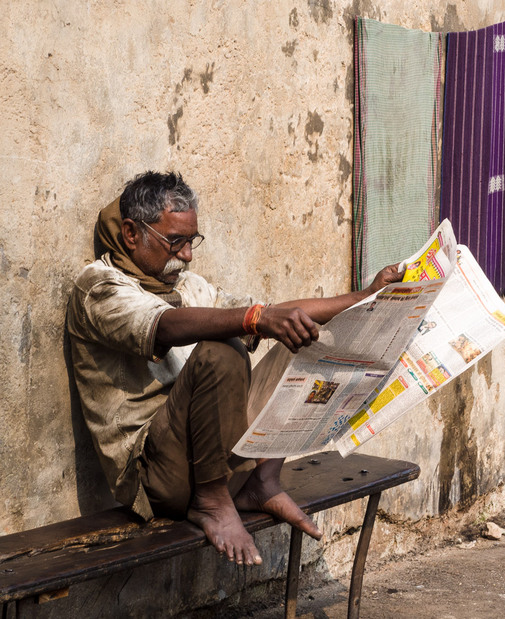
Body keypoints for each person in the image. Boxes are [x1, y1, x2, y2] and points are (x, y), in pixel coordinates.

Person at [67, 171, 402, 566]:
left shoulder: (187, 284)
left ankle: (262, 481)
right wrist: (254, 319)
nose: (187, 255)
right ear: (131, 233)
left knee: (304, 336)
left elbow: (274, 314)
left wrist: (366, 299)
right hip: (159, 476)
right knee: (222, 350)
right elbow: (167, 326)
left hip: (212, 453)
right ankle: (212, 501)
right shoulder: (99, 287)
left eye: (191, 242)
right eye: (175, 242)